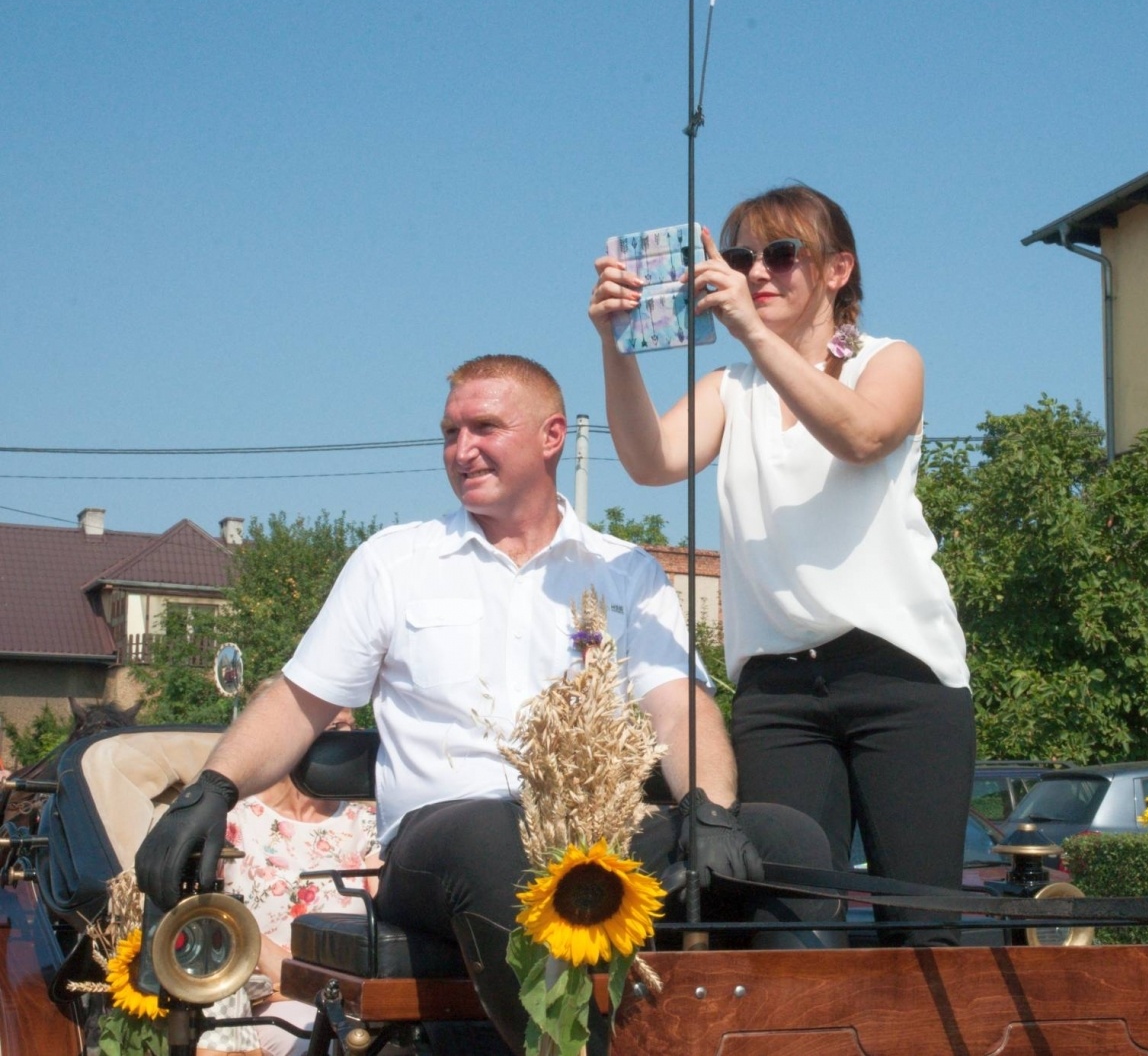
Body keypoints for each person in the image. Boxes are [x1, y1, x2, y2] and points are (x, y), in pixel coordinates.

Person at [136, 355, 836, 1053]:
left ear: (552, 436)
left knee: (786, 839)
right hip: (440, 843)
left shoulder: (625, 570)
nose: (460, 449)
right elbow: (297, 702)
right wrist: (214, 786)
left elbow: (681, 708)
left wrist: (708, 810)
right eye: (450, 432)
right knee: (496, 832)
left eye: (484, 427)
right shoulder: (395, 561)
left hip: (594, 837)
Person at [592, 184, 974, 943]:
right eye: (739, 257)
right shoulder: (730, 390)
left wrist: (752, 336)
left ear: (837, 269)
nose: (756, 272)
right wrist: (616, 342)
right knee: (792, 924)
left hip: (898, 676)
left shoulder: (887, 360)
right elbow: (648, 460)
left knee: (921, 928)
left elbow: (864, 435)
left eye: (781, 254)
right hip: (777, 691)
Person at [196, 702, 379, 1056]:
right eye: (337, 728)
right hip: (264, 1001)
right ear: (288, 735)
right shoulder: (233, 822)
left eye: (353, 728)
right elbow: (212, 917)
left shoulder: (368, 825)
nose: (353, 740)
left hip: (357, 1000)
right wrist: (296, 979)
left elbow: (388, 912)